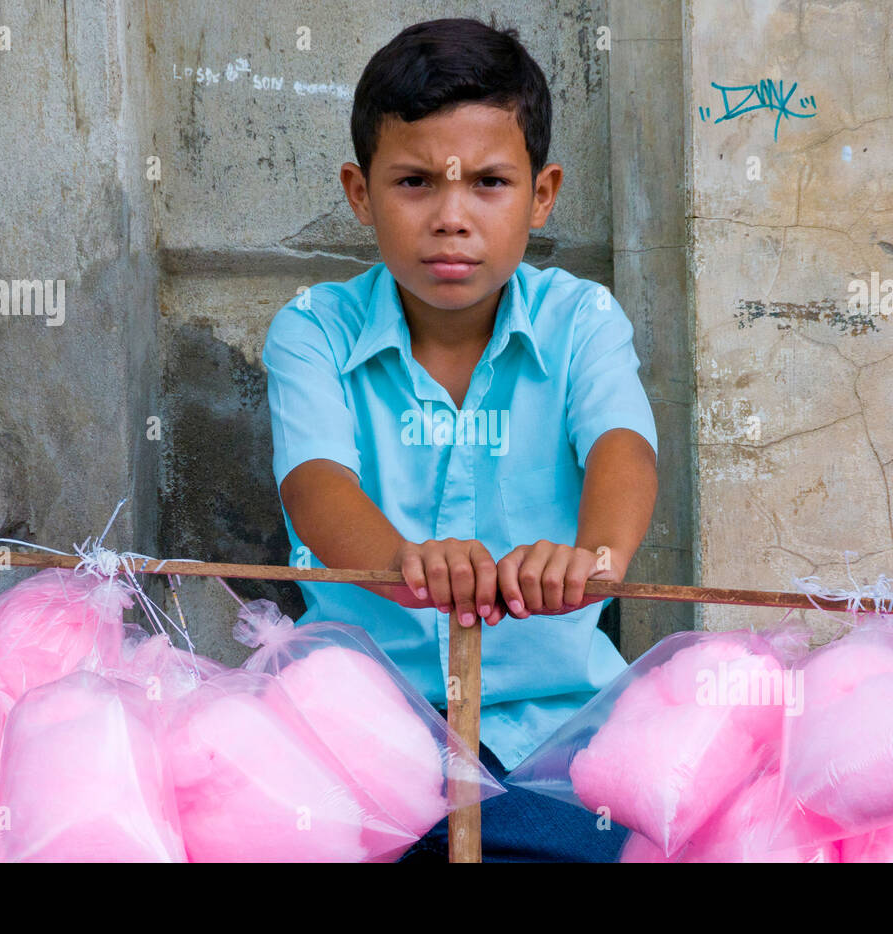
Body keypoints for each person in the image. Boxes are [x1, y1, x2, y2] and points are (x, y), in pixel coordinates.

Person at [261, 17, 658, 862]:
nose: (452, 218)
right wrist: (410, 564)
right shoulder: (312, 332)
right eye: (414, 183)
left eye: (488, 183)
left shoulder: (580, 319)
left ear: (541, 194)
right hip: (361, 738)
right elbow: (316, 485)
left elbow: (624, 446)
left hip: (561, 738)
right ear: (360, 192)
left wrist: (594, 559)